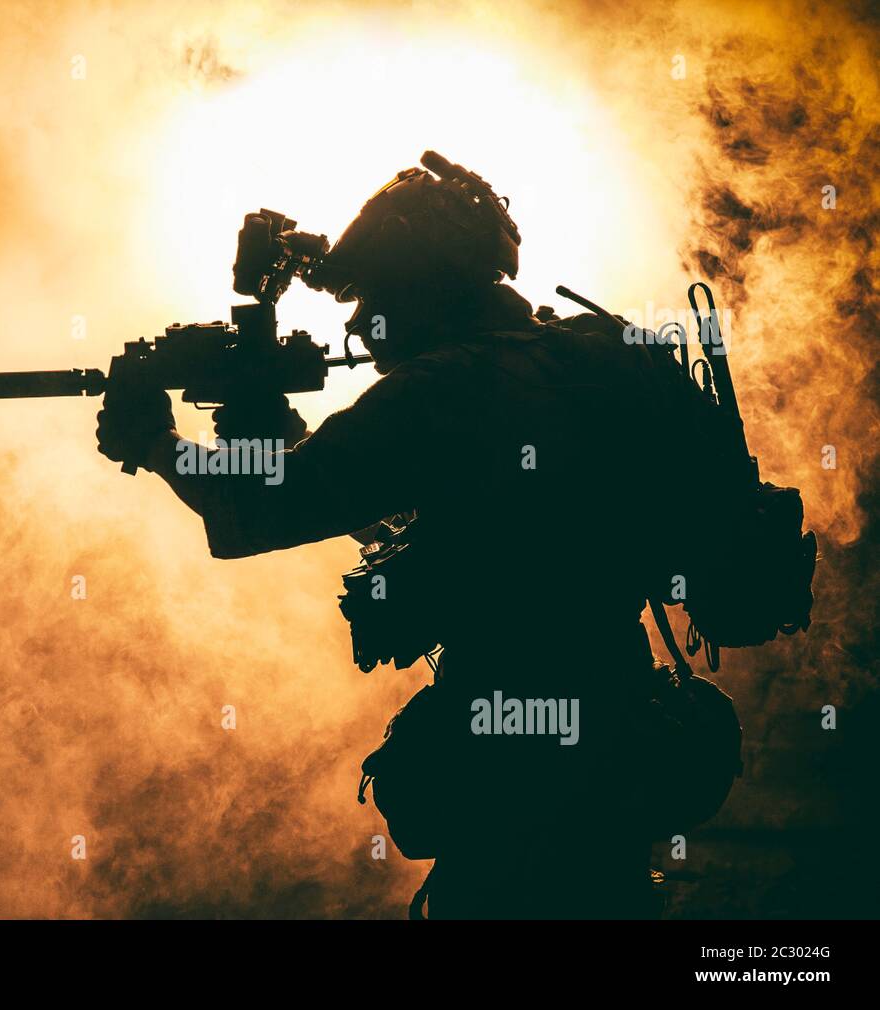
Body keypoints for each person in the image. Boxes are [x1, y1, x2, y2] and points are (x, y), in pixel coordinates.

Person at [96, 153, 677, 918]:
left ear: (421, 290)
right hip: (621, 733)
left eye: (375, 297)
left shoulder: (442, 389)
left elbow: (256, 511)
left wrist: (154, 444)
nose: (357, 323)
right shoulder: (600, 357)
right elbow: (473, 524)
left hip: (510, 765)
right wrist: (296, 441)